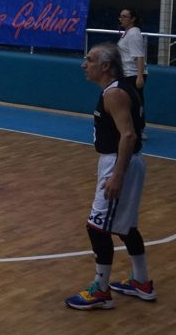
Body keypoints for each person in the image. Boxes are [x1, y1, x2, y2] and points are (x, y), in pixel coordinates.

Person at [65, 42, 154, 310]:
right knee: (126, 227)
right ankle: (141, 282)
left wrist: (117, 175)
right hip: (125, 161)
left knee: (96, 227)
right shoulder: (120, 88)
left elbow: (128, 135)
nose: (84, 64)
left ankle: (101, 290)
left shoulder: (114, 94)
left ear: (106, 66)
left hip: (119, 161)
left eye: (90, 60)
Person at [117, 8, 147, 103]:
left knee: (134, 103)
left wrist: (139, 77)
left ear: (133, 19)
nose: (121, 19)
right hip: (126, 73)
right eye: (120, 17)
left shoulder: (134, 34)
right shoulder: (127, 33)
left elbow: (139, 56)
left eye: (124, 16)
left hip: (133, 75)